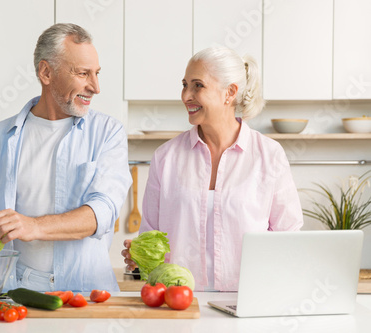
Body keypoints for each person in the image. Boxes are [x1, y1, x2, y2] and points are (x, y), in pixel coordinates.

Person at [0, 23, 132, 292]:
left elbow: (102, 213)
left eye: (97, 73)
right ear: (46, 72)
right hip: (4, 293)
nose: (95, 87)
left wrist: (33, 226)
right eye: (83, 74)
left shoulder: (107, 133)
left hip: (84, 295)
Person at [122, 47, 303, 292]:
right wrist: (138, 257)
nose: (186, 95)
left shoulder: (269, 156)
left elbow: (288, 239)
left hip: (248, 301)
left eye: (198, 85)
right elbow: (151, 237)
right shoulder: (166, 157)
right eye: (184, 84)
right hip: (177, 303)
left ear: (230, 92)